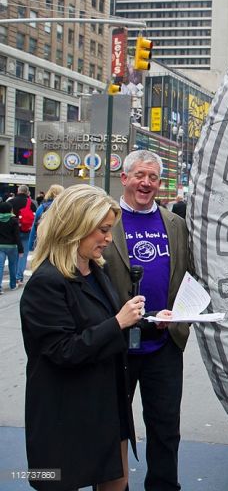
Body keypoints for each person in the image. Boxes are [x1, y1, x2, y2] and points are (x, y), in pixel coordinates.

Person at [20, 185, 147, 491]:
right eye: (102, 230)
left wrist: (145, 322)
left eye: (109, 230)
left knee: (117, 483)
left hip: (106, 409)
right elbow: (62, 351)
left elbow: (102, 327)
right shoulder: (46, 283)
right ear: (75, 227)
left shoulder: (96, 271)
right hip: (65, 415)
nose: (108, 239)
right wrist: (118, 323)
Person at [102, 149, 191, 490]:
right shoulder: (105, 220)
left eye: (153, 177)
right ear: (124, 178)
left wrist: (182, 315)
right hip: (114, 343)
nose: (146, 183)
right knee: (111, 426)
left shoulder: (175, 224)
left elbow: (189, 275)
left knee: (166, 427)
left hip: (164, 345)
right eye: (140, 175)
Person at [11, 184, 36, 285]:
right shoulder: (31, 203)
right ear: (27, 192)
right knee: (23, 254)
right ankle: (19, 276)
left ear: (18, 191)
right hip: (26, 230)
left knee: (13, 255)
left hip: (12, 231)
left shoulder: (11, 201)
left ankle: (13, 277)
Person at [27, 184, 64, 252]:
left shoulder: (42, 207)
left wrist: (31, 245)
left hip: (44, 241)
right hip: (60, 243)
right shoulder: (65, 207)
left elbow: (35, 226)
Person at [0, 201, 22, 293]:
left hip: (0, 246)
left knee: (0, 266)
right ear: (10, 210)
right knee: (12, 266)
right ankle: (13, 285)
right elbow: (17, 236)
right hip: (12, 246)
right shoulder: (14, 220)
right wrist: (21, 249)